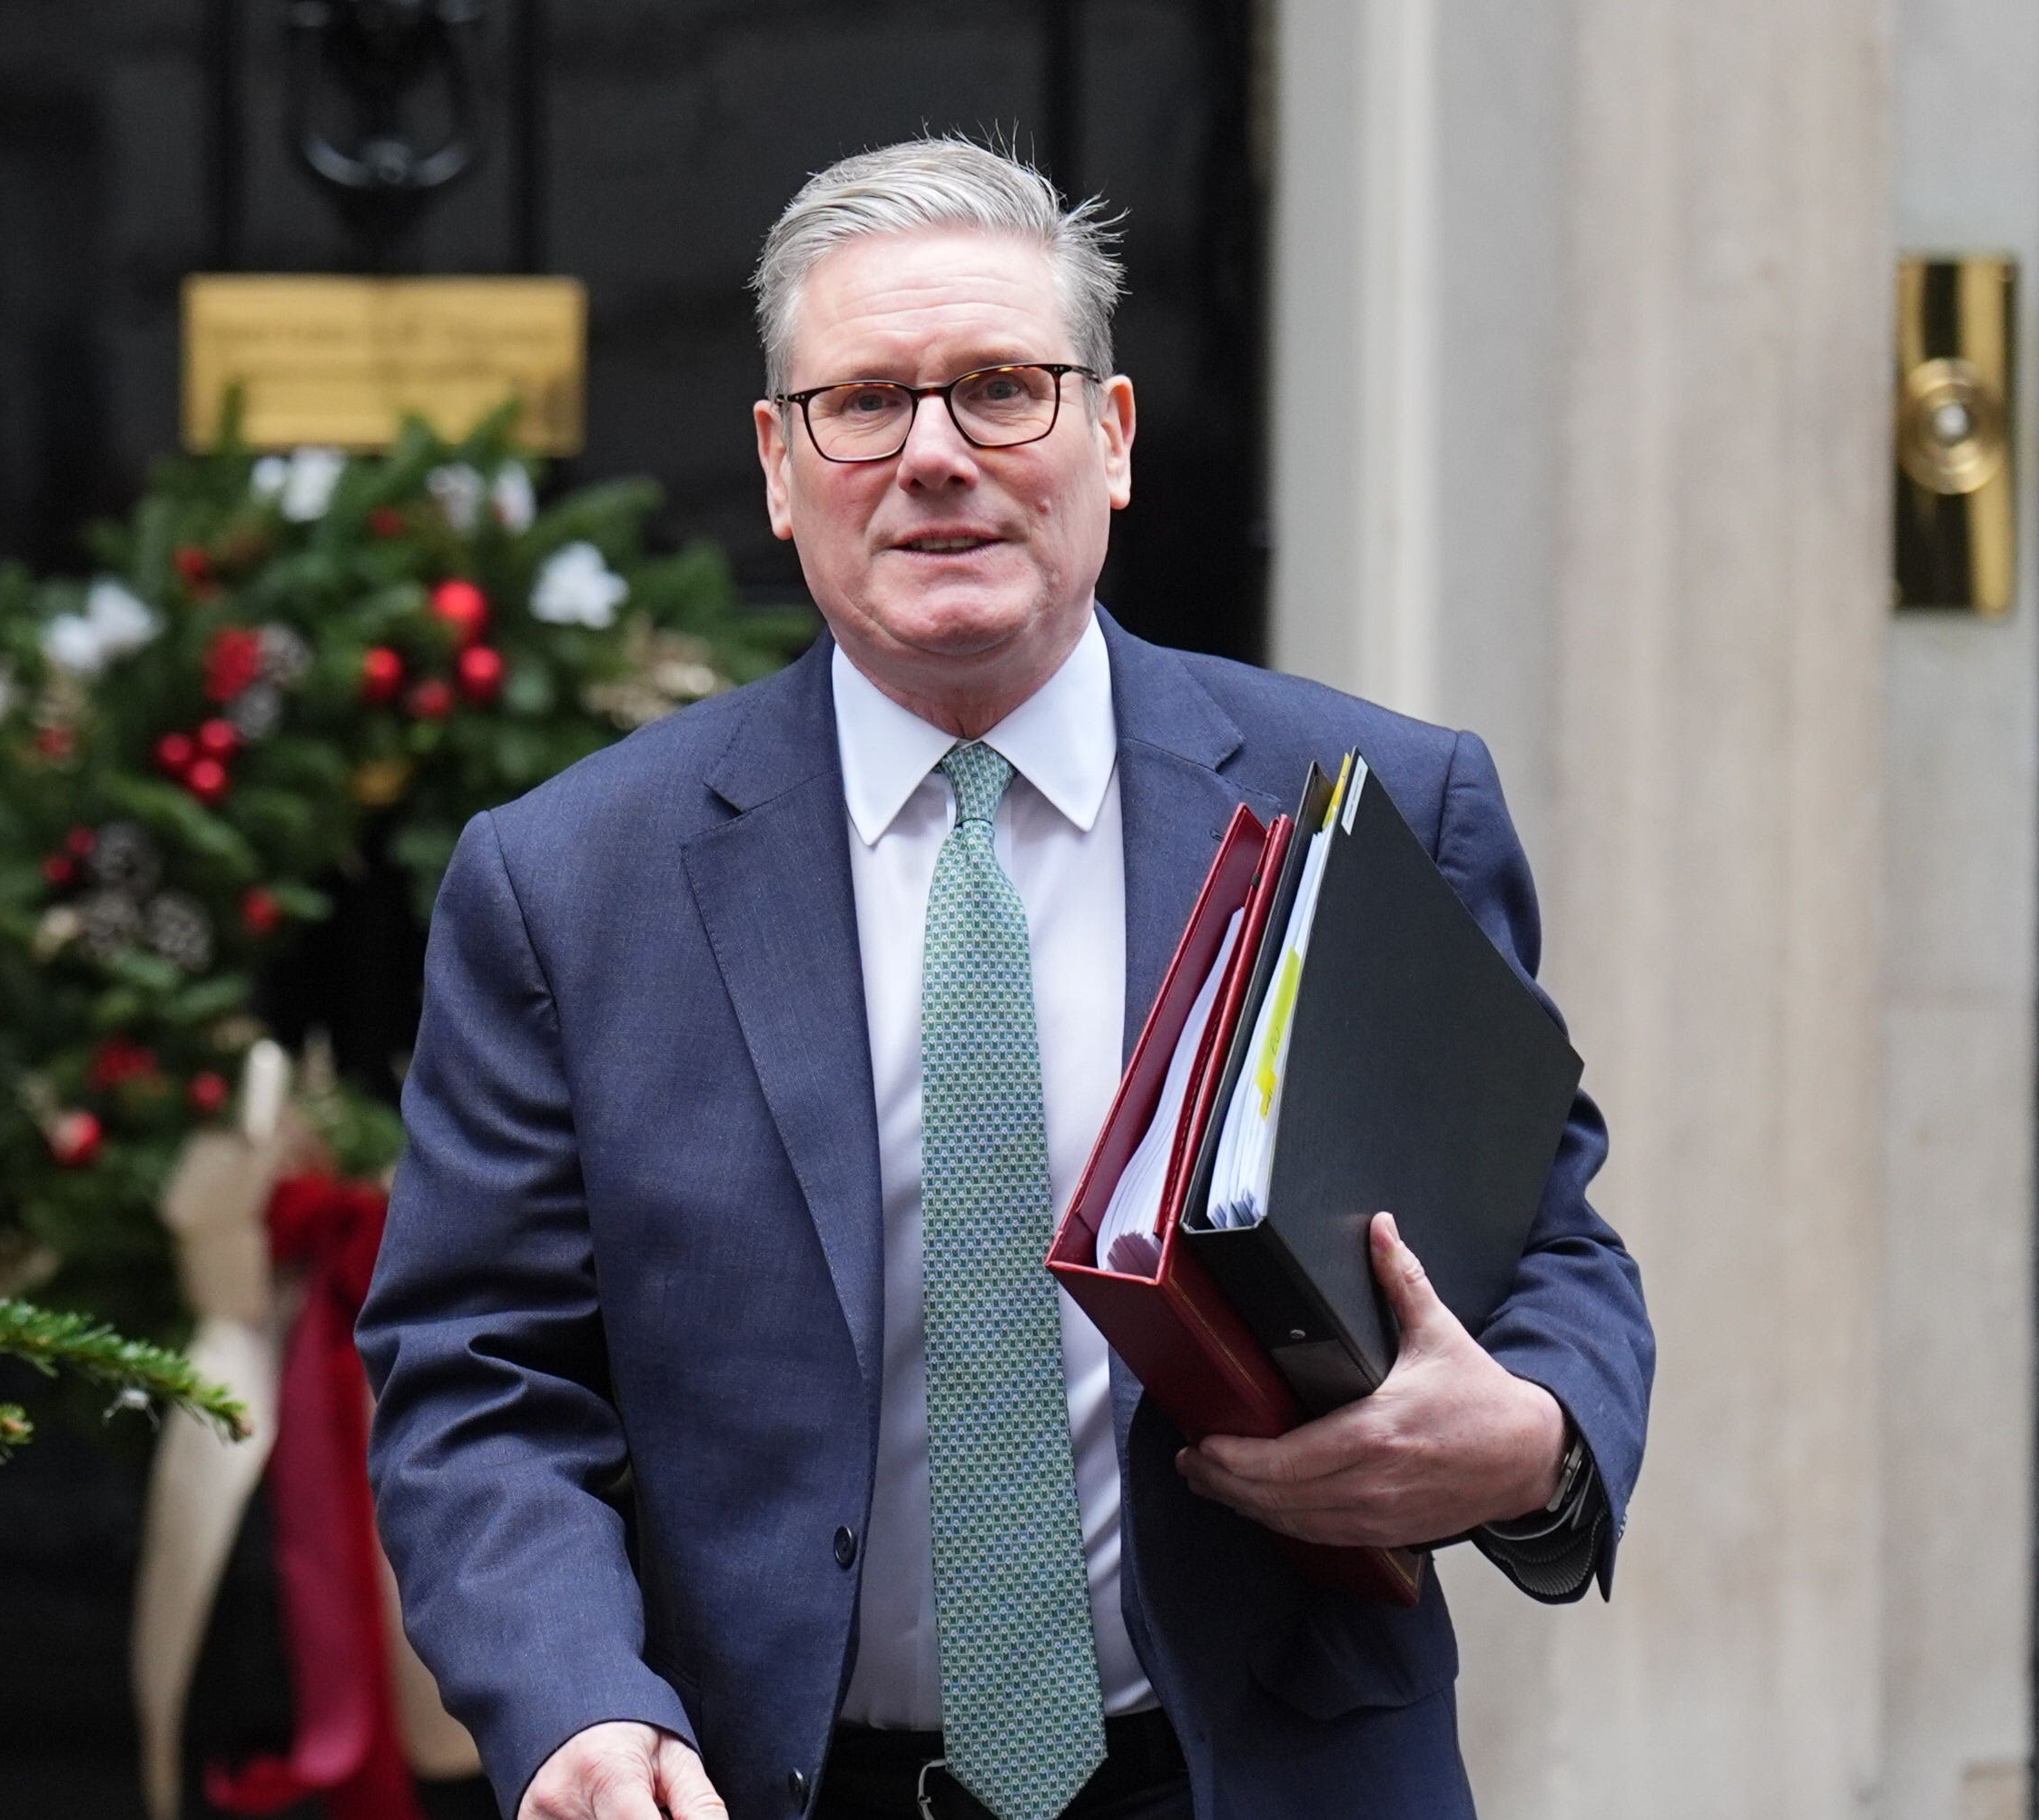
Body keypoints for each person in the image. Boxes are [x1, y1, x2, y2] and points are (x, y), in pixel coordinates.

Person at [358, 138, 1654, 1820]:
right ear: (776, 462)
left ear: (1110, 440)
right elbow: (477, 1376)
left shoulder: (1378, 803)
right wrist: (577, 1700)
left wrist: (1537, 1435)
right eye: (865, 404)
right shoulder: (571, 886)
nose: (935, 457)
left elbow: (1546, 1231)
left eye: (1000, 390)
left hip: (1261, 1772)